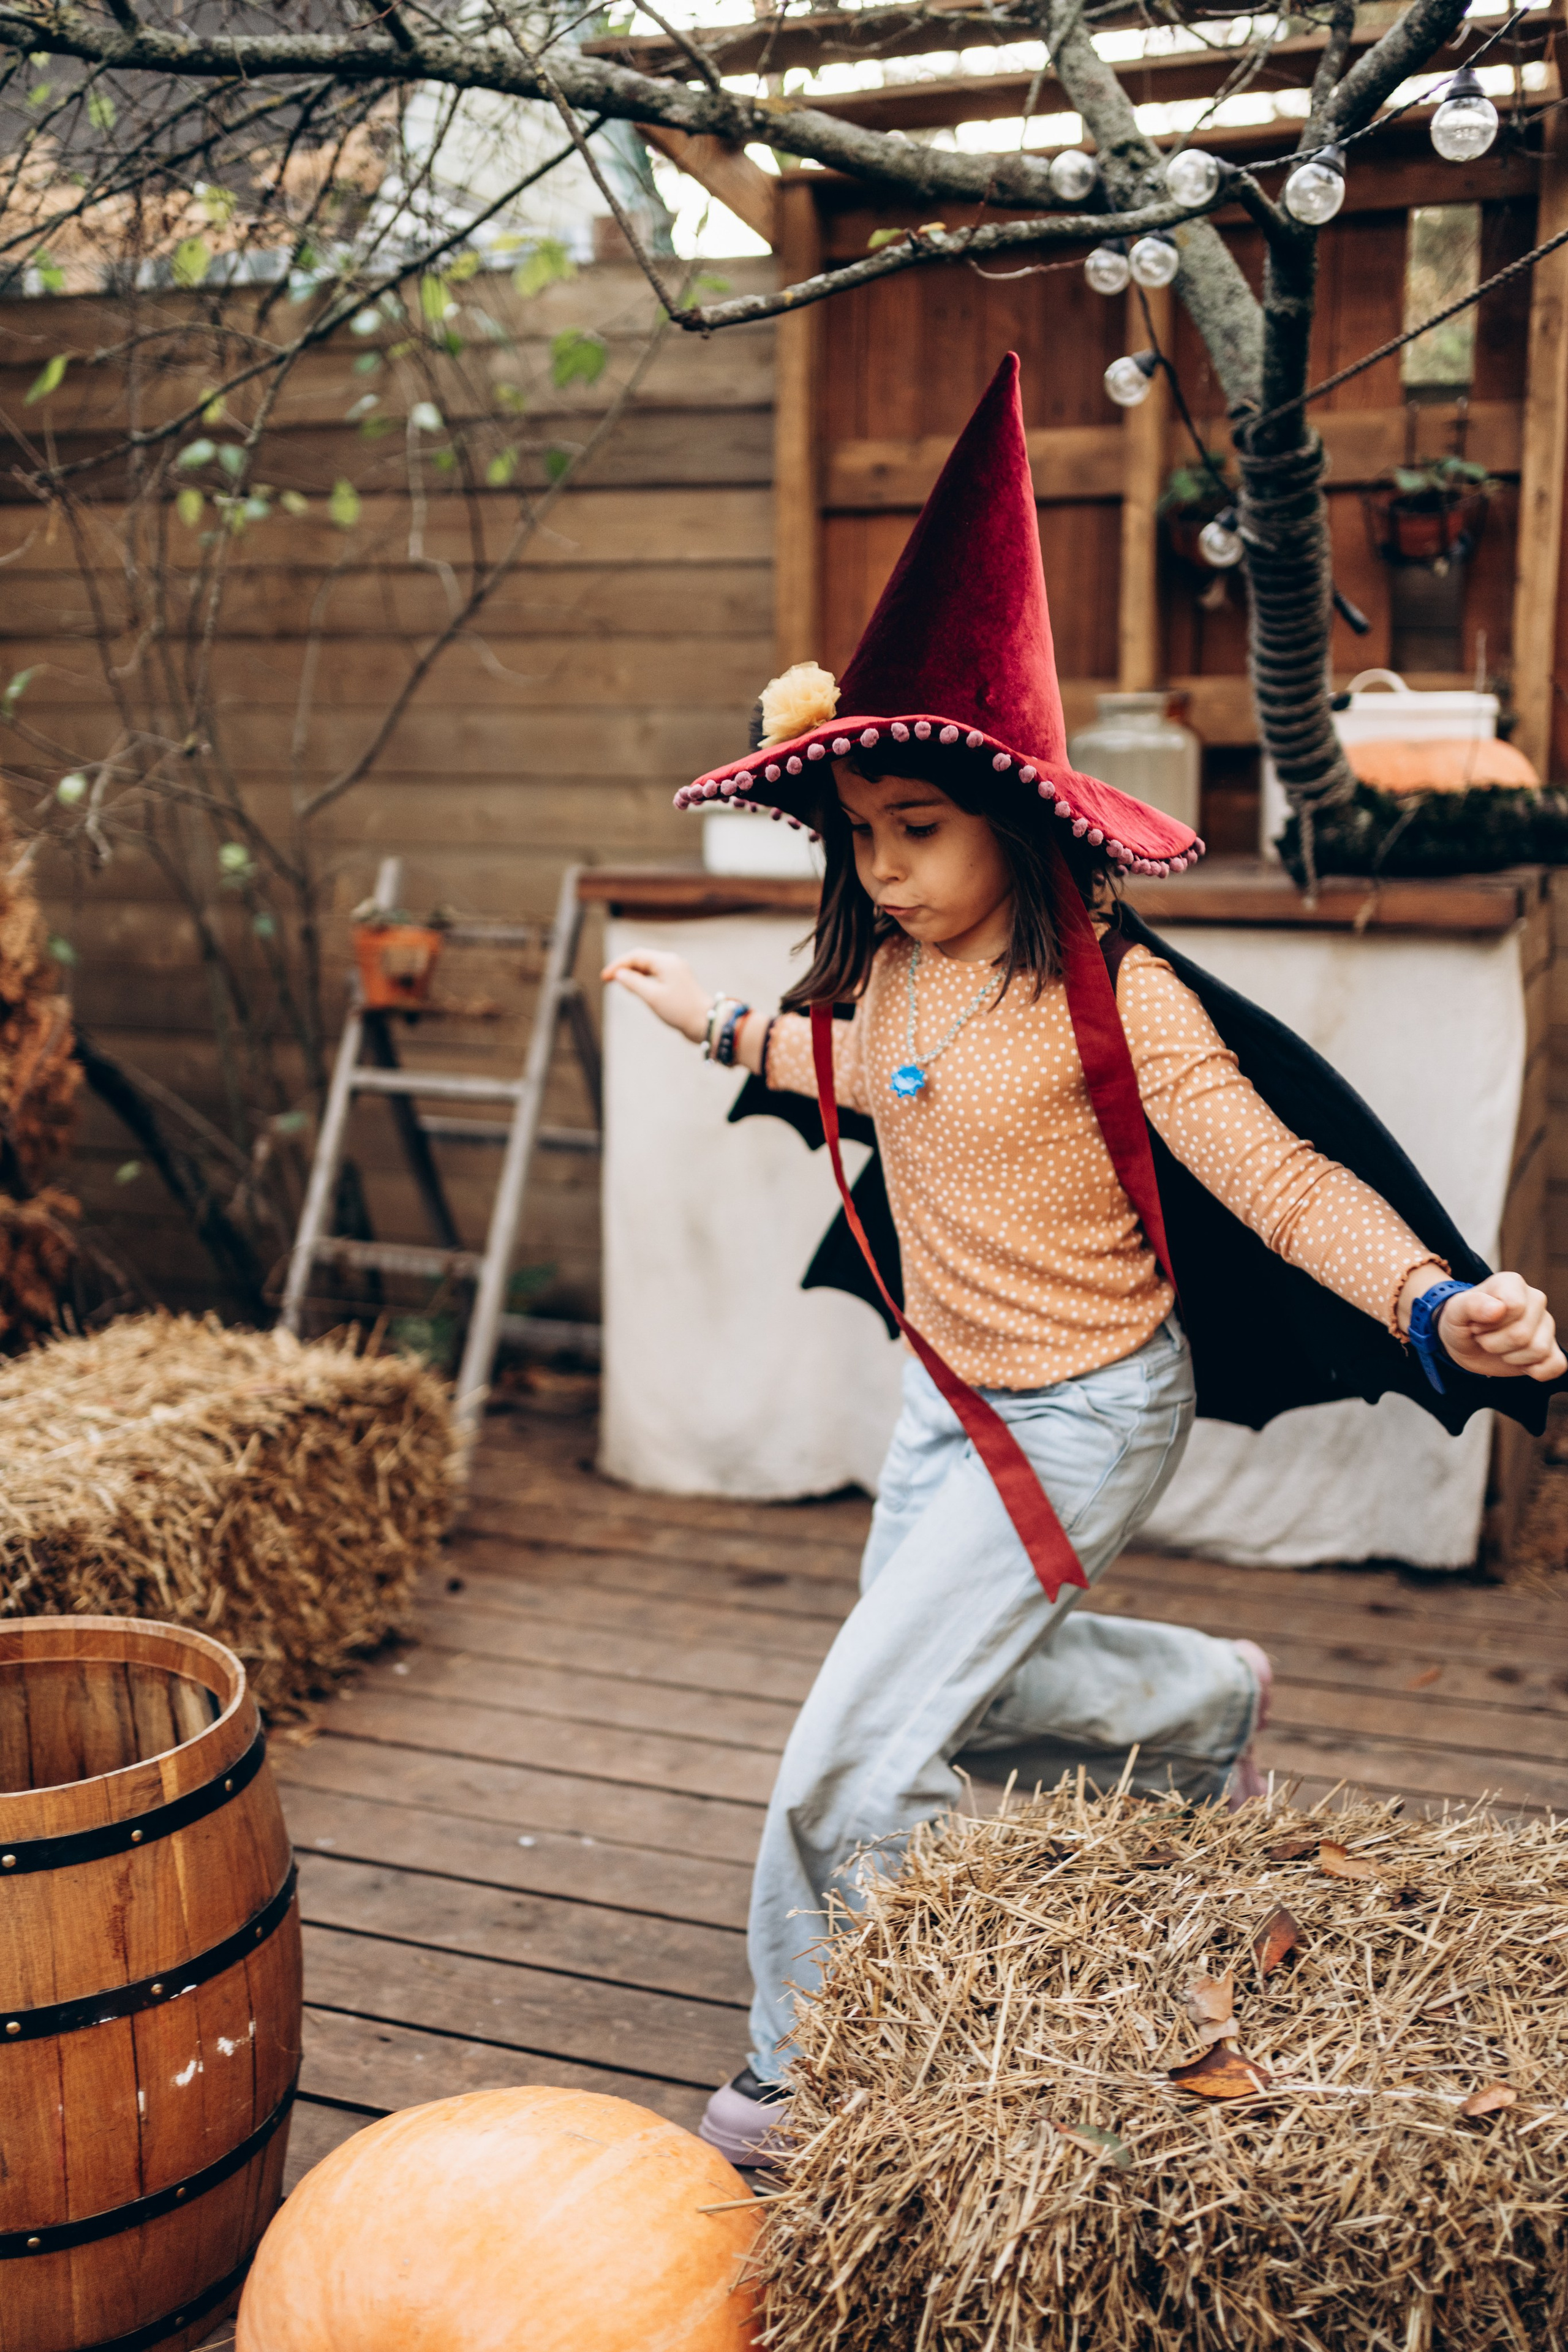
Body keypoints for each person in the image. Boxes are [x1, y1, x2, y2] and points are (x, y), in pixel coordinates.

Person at [602, 355, 1563, 2169]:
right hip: (943, 1398)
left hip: (1084, 1414)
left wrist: (1440, 1301)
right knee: (965, 1674)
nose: (885, 870)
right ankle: (1206, 1702)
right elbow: (876, 1083)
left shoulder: (1117, 996)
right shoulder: (894, 968)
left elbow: (1282, 1187)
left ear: (1019, 815)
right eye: (862, 836)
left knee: (851, 1763)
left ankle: (804, 2082)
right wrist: (718, 1025)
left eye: (922, 830)